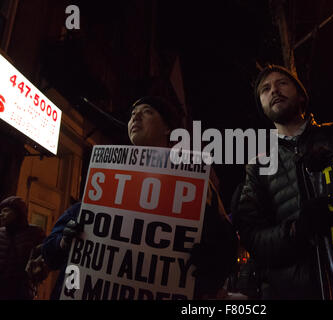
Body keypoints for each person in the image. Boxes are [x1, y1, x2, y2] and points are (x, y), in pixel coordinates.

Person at [42, 96, 238, 300]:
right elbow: (50, 253)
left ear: (167, 129)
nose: (136, 116)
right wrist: (64, 242)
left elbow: (224, 253)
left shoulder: (193, 184)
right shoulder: (105, 177)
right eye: (133, 113)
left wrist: (212, 256)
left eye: (147, 111)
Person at [234, 64, 333, 299]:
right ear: (262, 106)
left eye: (282, 83)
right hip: (293, 292)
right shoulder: (258, 167)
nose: (274, 90)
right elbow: (252, 236)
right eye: (265, 89)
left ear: (301, 95)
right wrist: (297, 230)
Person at [0, 196, 45, 299]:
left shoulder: (35, 234)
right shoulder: (1, 233)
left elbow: (43, 261)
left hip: (21, 292)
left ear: (18, 212)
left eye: (6, 211)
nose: (1, 215)